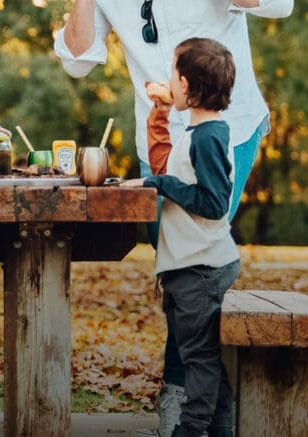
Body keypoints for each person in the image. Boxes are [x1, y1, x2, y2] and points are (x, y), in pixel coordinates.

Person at [53, 0, 293, 433]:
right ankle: (200, 397)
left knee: (198, 261)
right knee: (179, 271)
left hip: (223, 131)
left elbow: (279, 0)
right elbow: (77, 60)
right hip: (159, 142)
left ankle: (185, 399)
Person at [122, 38, 241, 437]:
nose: (169, 79)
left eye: (173, 72)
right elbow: (168, 163)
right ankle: (220, 429)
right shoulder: (197, 132)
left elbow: (213, 202)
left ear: (186, 86)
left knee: (200, 359)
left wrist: (161, 184)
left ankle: (190, 430)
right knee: (204, 357)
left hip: (201, 268)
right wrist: (160, 116)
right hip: (190, 266)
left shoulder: (207, 137)